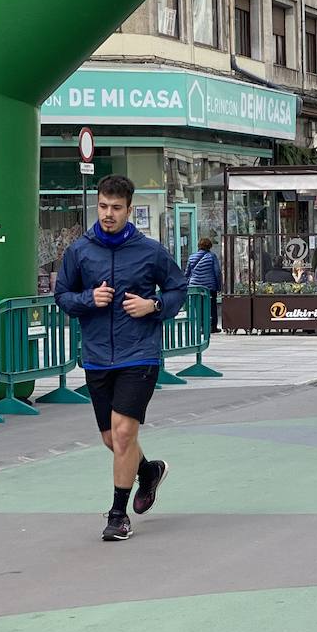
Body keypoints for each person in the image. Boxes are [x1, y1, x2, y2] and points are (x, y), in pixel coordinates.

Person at [55, 175, 188, 542]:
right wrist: (87, 300)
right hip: (97, 356)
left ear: (130, 210)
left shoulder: (150, 251)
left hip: (139, 353)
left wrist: (154, 305)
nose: (108, 214)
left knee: (125, 431)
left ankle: (118, 515)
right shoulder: (80, 251)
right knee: (112, 440)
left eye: (116, 208)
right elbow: (62, 295)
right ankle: (149, 471)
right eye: (102, 206)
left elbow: (179, 287)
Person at [184, 236, 222, 331]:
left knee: (198, 306)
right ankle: (213, 326)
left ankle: (201, 326)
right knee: (212, 306)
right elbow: (217, 272)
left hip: (195, 286)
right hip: (209, 286)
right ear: (209, 246)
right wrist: (219, 286)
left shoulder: (192, 257)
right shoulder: (212, 256)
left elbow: (187, 273)